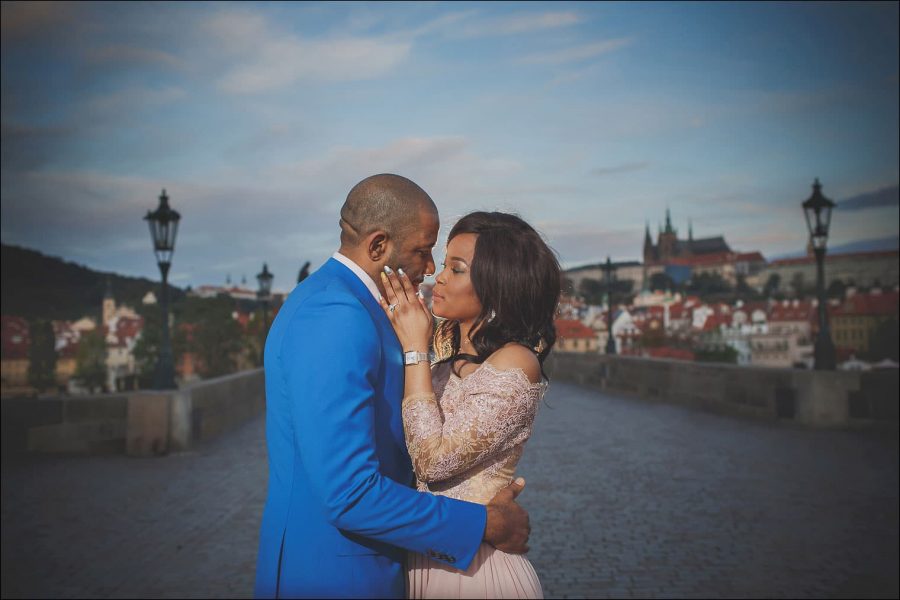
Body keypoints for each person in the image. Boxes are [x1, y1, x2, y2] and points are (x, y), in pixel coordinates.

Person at [254, 175, 531, 599]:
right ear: (379, 245)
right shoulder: (336, 315)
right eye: (423, 250)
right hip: (337, 577)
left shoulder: (346, 302)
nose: (430, 268)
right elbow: (349, 493)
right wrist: (485, 523)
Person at [379, 211, 560, 598]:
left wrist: (414, 350)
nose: (438, 277)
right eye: (444, 265)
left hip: (476, 575)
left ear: (497, 286)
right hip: (427, 560)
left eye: (456, 269)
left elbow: (433, 461)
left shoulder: (515, 362)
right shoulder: (443, 360)